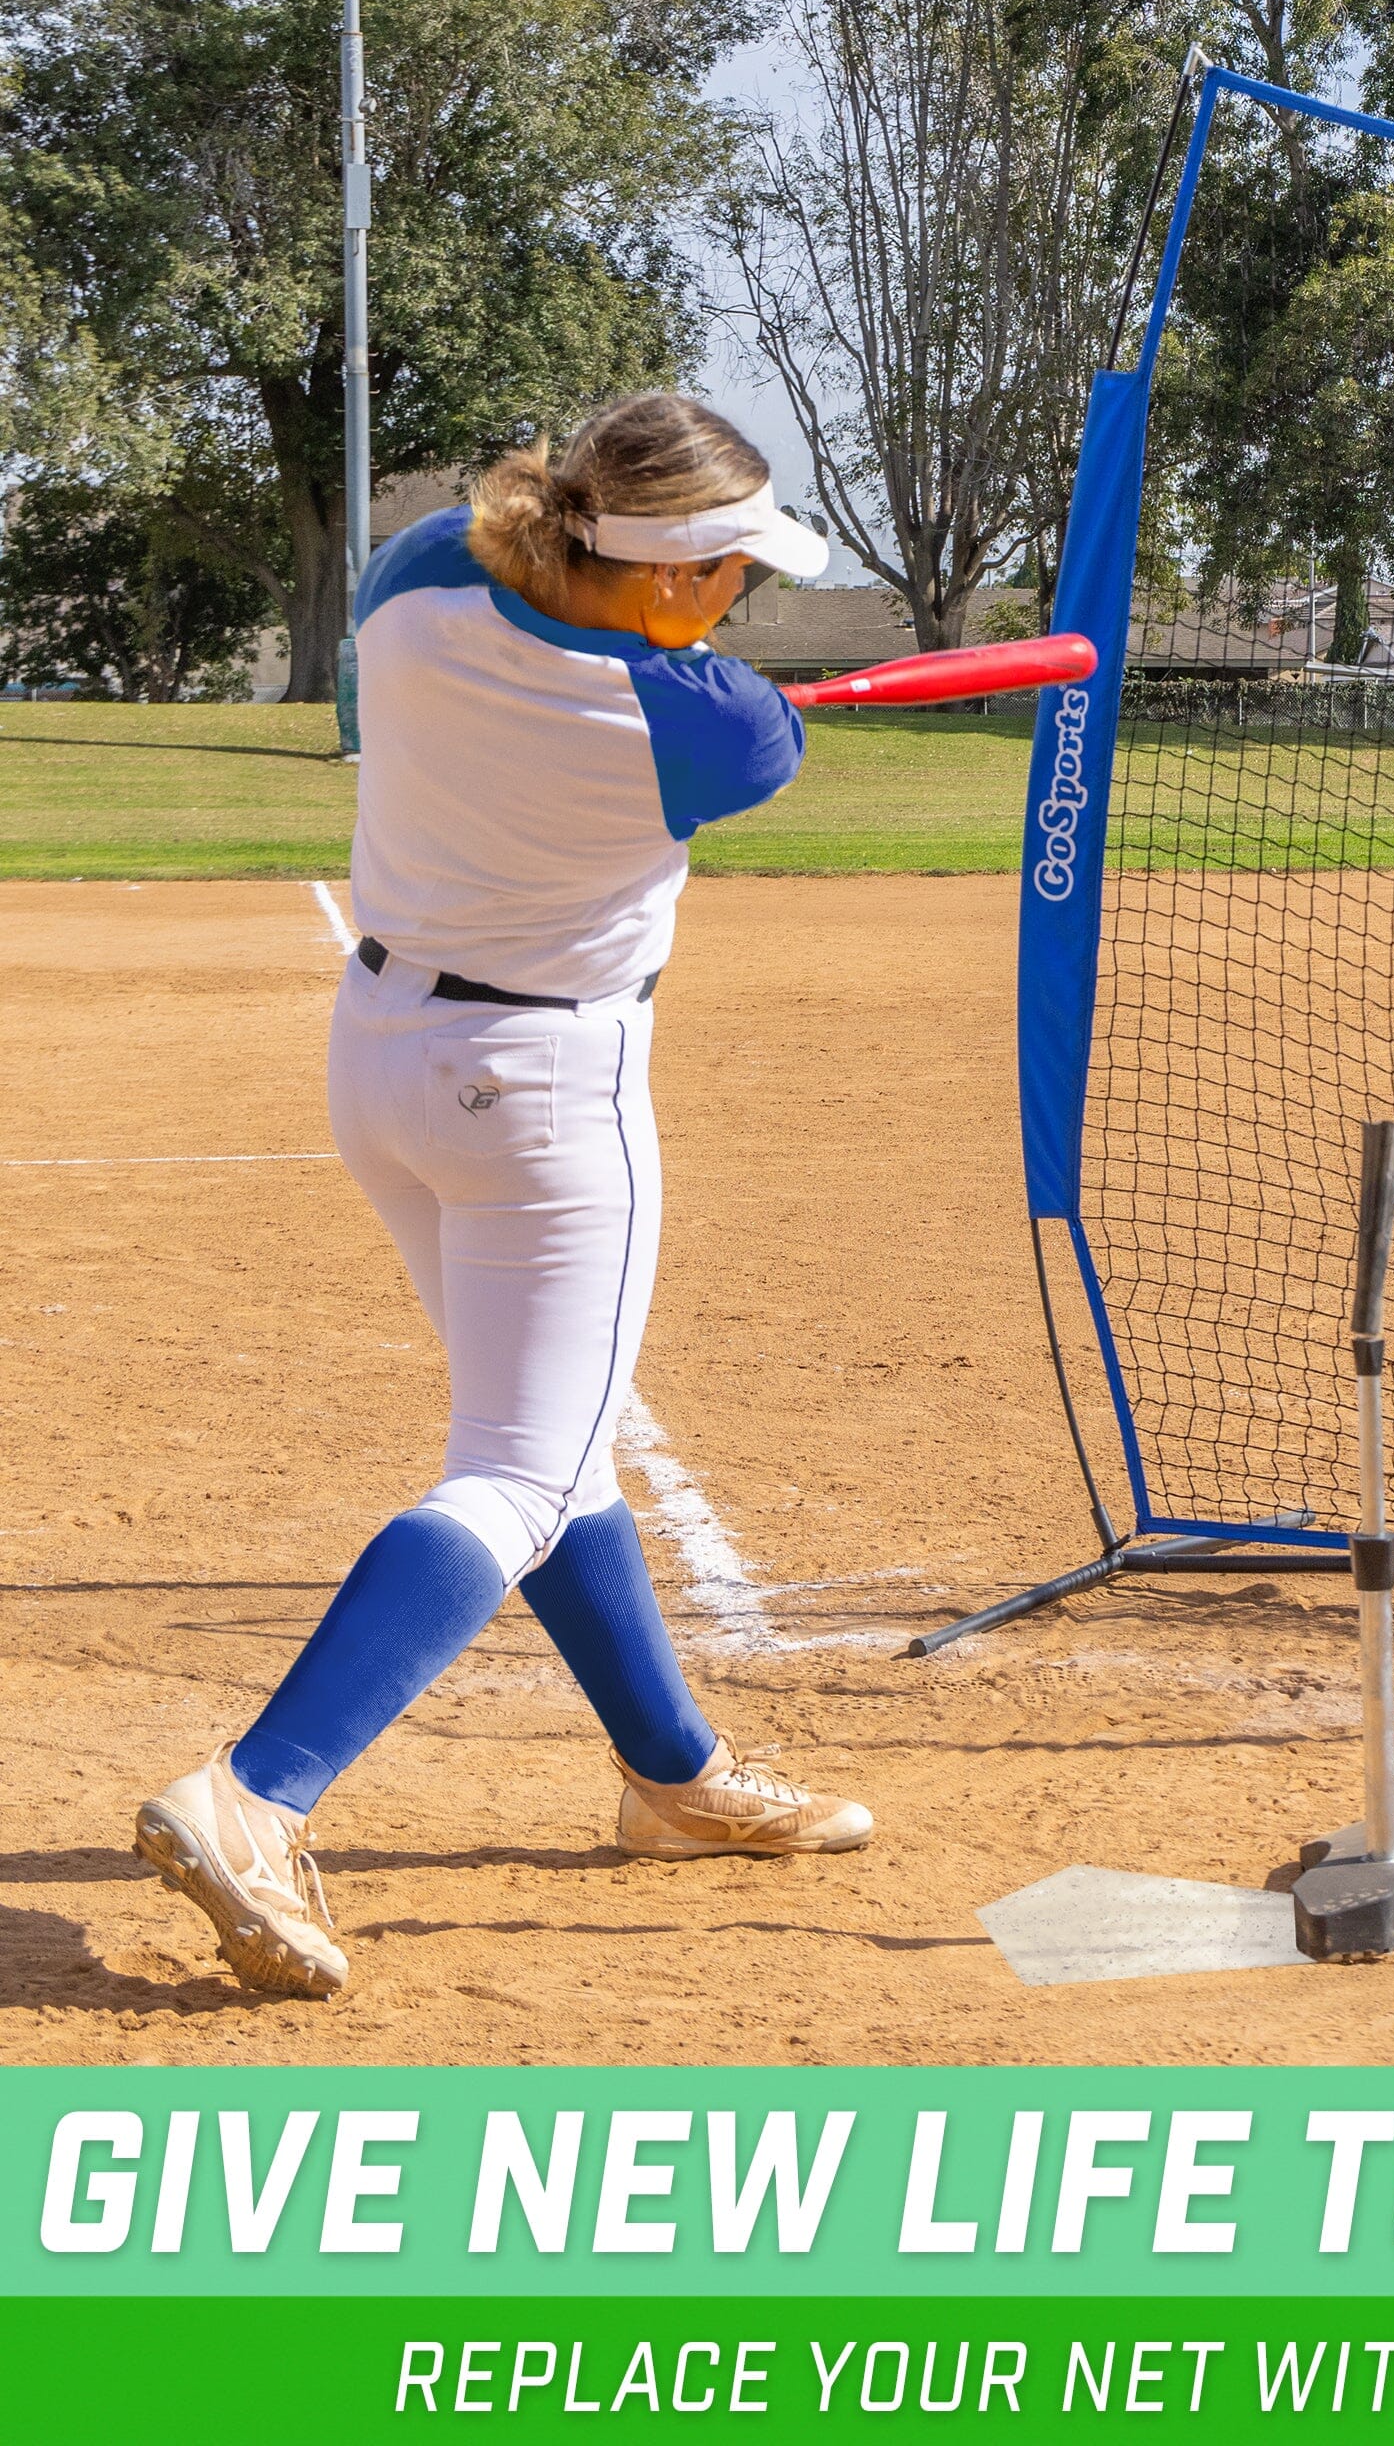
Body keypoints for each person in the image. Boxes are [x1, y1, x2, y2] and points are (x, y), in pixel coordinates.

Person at [134, 393, 871, 2001]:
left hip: (383, 1059)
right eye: (733, 569)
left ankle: (670, 1778)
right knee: (521, 1475)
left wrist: (679, 642)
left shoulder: (414, 576)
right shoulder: (718, 727)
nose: (748, 593)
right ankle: (254, 1797)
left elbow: (615, 641)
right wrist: (706, 663)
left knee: (559, 1440)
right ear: (673, 578)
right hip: (542, 1096)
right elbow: (756, 729)